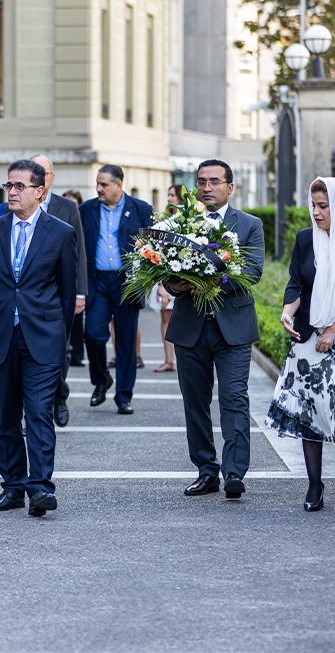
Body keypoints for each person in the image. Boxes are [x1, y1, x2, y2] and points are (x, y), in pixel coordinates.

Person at [0, 159, 77, 517]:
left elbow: (67, 291)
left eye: (20, 186)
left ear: (39, 191)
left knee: (39, 413)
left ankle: (40, 488)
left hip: (43, 337)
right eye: (8, 186)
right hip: (0, 336)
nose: (12, 192)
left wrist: (61, 341)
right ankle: (12, 487)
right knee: (8, 416)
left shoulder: (59, 232)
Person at [268, 177, 335, 514]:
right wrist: (287, 313)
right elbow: (296, 283)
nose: (315, 213)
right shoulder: (305, 240)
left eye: (323, 206)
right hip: (307, 336)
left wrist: (332, 330)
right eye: (313, 206)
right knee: (309, 407)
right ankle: (315, 485)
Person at [166, 159, 264, 500]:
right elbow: (164, 269)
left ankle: (234, 471)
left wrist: (206, 283)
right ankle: (205, 471)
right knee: (195, 402)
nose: (206, 188)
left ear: (230, 187)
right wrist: (177, 283)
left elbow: (251, 272)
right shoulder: (178, 224)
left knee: (234, 398)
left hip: (233, 328)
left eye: (214, 182)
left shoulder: (249, 225)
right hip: (190, 327)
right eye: (201, 182)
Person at [79, 165, 153, 414]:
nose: (99, 188)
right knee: (92, 334)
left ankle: (124, 396)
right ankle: (101, 380)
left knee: (126, 341)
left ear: (118, 185)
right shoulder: (86, 209)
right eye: (97, 183)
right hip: (97, 281)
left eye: (104, 184)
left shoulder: (141, 210)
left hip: (127, 283)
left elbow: (155, 248)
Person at [149, 185, 184, 373]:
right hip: (164, 277)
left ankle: (182, 360)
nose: (169, 198)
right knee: (165, 318)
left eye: (173, 195)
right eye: (168, 194)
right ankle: (169, 360)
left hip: (183, 277)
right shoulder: (164, 220)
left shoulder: (188, 220)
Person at [62, 189, 87, 367]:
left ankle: (77, 353)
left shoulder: (79, 217)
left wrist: (81, 291)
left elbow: (81, 250)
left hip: (77, 272)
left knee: (77, 320)